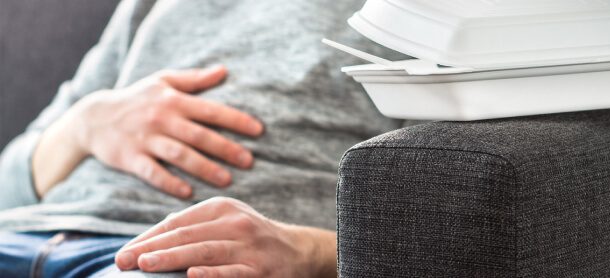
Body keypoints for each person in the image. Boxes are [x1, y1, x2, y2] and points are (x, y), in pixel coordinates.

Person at [0, 0, 406, 276]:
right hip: (20, 231)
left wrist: (312, 252)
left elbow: (453, 219)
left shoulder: (422, 15)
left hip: (179, 256)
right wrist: (83, 125)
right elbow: (7, 189)